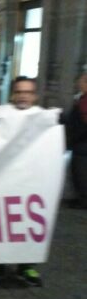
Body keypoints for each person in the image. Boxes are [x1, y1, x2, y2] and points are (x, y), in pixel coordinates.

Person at [0, 76, 52, 287]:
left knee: (29, 222)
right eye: (19, 91)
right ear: (13, 94)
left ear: (35, 96)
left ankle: (26, 266)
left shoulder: (43, 117)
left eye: (28, 92)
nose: (23, 96)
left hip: (31, 180)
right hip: (1, 179)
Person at [66, 72, 87, 209]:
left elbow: (83, 124)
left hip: (82, 145)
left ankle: (83, 200)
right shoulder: (82, 98)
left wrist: (71, 140)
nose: (78, 83)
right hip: (81, 143)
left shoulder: (85, 102)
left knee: (81, 173)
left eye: (81, 81)